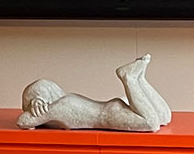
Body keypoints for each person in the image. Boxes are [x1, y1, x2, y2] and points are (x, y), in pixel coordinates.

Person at [18, 54, 171, 132]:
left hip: (109, 115)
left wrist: (35, 104)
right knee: (164, 117)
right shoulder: (69, 99)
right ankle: (140, 78)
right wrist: (36, 100)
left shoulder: (58, 108)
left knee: (151, 123)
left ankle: (129, 78)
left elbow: (23, 121)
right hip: (112, 108)